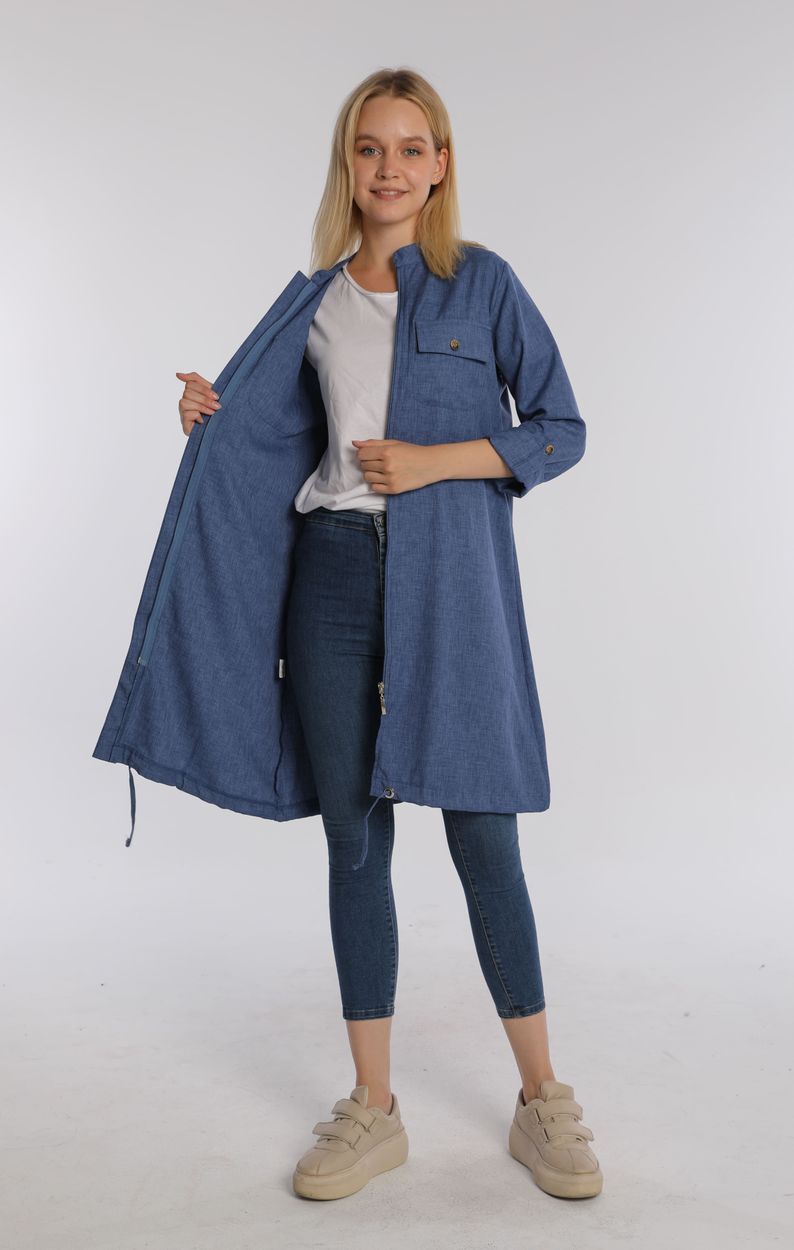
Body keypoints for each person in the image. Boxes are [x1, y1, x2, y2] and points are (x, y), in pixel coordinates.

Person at [174, 68, 601, 1203]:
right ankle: (374, 1105)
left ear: (441, 165)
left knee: (482, 835)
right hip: (328, 578)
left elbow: (560, 429)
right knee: (354, 840)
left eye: (412, 148)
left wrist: (435, 462)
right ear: (347, 163)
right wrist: (207, 413)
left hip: (449, 582)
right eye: (370, 148)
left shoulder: (483, 285)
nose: (390, 168)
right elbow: (269, 435)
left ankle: (541, 1097)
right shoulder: (314, 300)